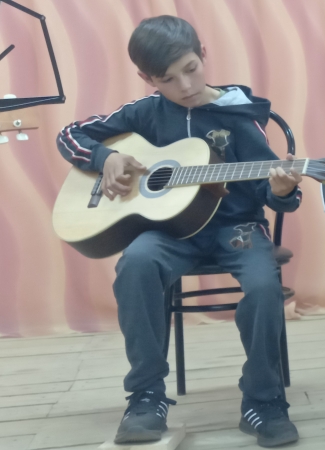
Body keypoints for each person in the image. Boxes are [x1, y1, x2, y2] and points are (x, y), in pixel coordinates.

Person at [56, 16, 301, 448]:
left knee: (265, 286)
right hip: (167, 232)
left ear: (203, 54)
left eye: (191, 69)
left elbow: (270, 188)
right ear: (147, 78)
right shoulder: (145, 112)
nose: (185, 86)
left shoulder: (238, 113)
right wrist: (105, 158)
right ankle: (146, 397)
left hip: (237, 229)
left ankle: (263, 401)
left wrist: (282, 191)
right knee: (135, 262)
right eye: (167, 79)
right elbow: (69, 135)